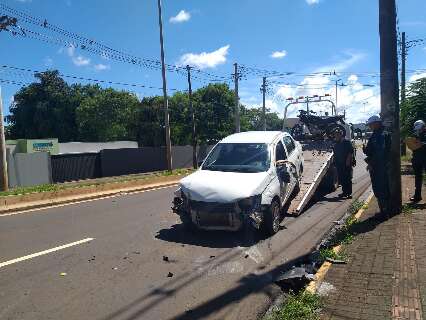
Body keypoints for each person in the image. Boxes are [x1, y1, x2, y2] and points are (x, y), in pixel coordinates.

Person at [363, 115, 392, 217]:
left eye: (371, 124)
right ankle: (384, 211)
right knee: (380, 188)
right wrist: (366, 150)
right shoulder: (377, 133)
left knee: (380, 188)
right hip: (379, 165)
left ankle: (384, 213)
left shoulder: (381, 134)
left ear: (376, 123)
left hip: (379, 166)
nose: (370, 126)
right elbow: (373, 149)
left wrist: (371, 163)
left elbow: (380, 152)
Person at [332, 127, 354, 198]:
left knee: (347, 178)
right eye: (335, 135)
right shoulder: (336, 144)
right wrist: (334, 163)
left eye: (337, 135)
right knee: (342, 179)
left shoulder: (347, 142)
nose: (336, 136)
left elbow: (350, 152)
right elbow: (335, 154)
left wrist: (348, 161)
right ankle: (344, 192)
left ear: (341, 135)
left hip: (346, 164)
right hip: (339, 164)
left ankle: (349, 193)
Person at [410, 120, 426, 202]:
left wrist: (422, 144)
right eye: (416, 129)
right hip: (417, 159)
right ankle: (417, 196)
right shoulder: (415, 135)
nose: (417, 131)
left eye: (419, 129)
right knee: (418, 178)